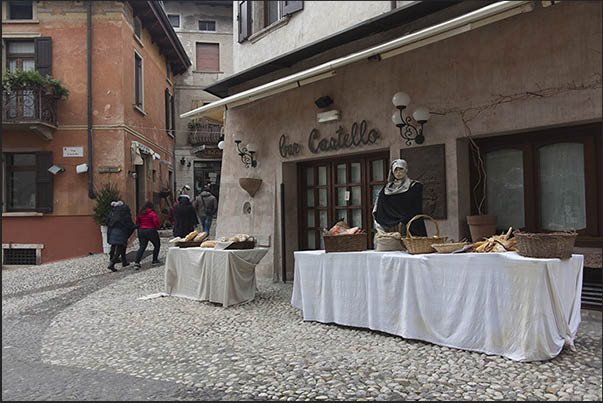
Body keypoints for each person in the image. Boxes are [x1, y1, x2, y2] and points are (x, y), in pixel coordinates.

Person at [372, 159, 427, 237]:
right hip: (391, 227)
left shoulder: (415, 186)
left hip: (410, 227)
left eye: (401, 169)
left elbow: (415, 208)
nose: (398, 172)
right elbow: (380, 206)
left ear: (406, 170)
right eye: (396, 170)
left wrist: (403, 220)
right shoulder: (387, 188)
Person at [106, 201, 137, 272]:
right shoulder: (125, 214)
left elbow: (107, 221)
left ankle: (124, 262)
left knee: (120, 246)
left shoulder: (113, 212)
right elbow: (130, 225)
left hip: (112, 232)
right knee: (121, 248)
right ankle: (112, 263)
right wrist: (137, 226)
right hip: (121, 232)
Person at [133, 201, 161, 269]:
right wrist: (157, 227)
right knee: (157, 245)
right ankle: (154, 260)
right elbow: (156, 222)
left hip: (141, 231)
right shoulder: (152, 213)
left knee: (142, 246)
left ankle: (137, 262)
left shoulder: (140, 213)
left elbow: (137, 222)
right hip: (151, 230)